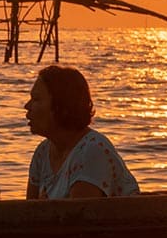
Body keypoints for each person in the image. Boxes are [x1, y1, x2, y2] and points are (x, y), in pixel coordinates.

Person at [23, 65, 137, 199]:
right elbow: (29, 212)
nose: (27, 106)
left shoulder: (92, 151)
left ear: (61, 107)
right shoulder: (43, 152)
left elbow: (79, 215)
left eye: (36, 99)